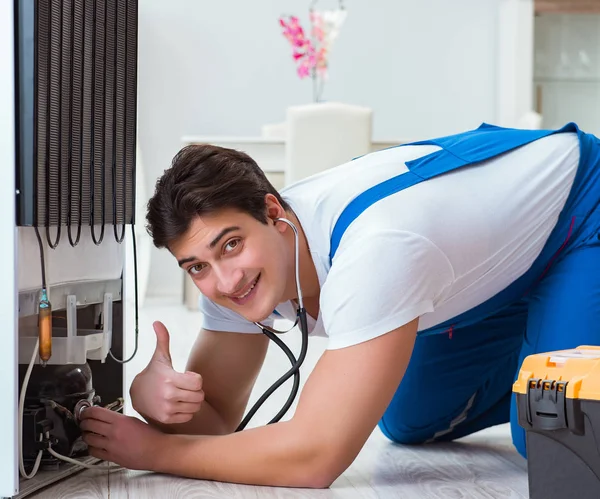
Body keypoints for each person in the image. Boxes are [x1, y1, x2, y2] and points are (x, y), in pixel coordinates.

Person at [80, 122, 600, 488]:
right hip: (489, 265)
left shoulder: (376, 250)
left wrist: (155, 450)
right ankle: (545, 335)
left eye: (230, 244)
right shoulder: (230, 275)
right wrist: (153, 402)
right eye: (196, 266)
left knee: (553, 438)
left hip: (580, 210)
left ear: (272, 211)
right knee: (409, 420)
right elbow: (215, 418)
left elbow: (315, 457)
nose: (224, 280)